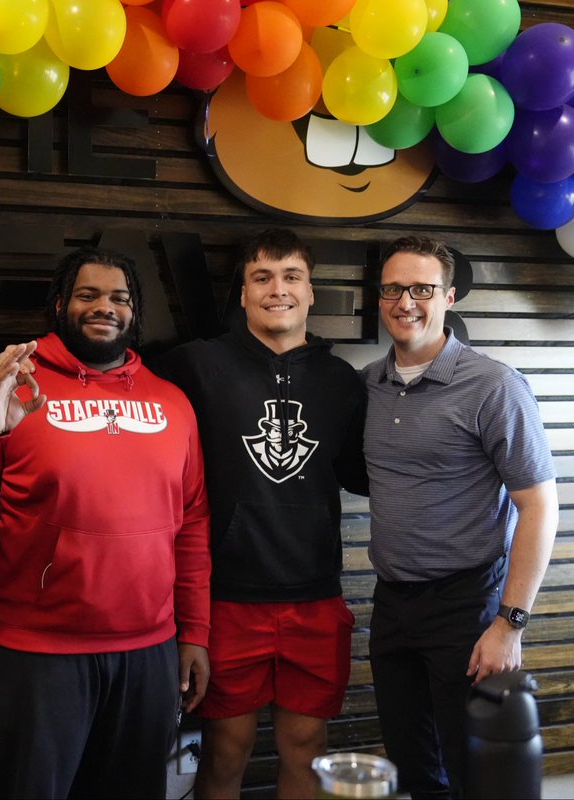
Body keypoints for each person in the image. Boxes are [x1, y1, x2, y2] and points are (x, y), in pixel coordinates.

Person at [0, 246, 212, 799]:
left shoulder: (173, 402)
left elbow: (194, 523)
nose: (104, 306)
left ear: (134, 312)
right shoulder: (8, 389)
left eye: (119, 298)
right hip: (32, 656)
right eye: (88, 294)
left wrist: (195, 633)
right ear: (60, 305)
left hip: (148, 654)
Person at [153, 228, 368, 799]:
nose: (279, 289)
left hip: (315, 596)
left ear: (311, 291)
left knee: (307, 748)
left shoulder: (342, 381)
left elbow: (363, 474)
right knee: (226, 751)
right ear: (244, 293)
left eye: (292, 276)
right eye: (262, 277)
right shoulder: (193, 366)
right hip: (226, 598)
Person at [362, 235, 559, 799]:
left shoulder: (494, 385)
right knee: (413, 767)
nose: (406, 302)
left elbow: (539, 506)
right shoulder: (369, 384)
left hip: (467, 606)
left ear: (449, 297)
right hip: (392, 602)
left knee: (475, 772)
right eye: (393, 289)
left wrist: (509, 624)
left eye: (422, 289)